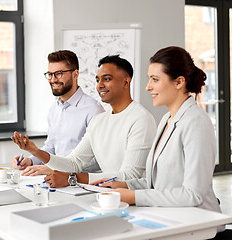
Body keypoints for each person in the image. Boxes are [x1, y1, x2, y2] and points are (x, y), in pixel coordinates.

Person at [91, 46, 222, 220]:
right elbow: (158, 184)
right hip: (168, 216)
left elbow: (193, 194)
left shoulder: (197, 122)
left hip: (198, 222)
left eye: (155, 80)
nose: (148, 87)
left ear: (179, 82)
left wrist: (133, 197)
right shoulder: (167, 119)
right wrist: (123, 185)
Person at [11, 55, 156, 187]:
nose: (99, 85)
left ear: (126, 82)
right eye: (98, 80)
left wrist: (72, 178)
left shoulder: (141, 119)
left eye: (107, 79)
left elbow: (130, 176)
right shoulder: (99, 121)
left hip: (135, 199)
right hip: (107, 194)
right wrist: (34, 151)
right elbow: (74, 163)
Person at [12, 50, 104, 176]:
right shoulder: (54, 109)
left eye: (59, 74)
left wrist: (58, 169)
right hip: (57, 179)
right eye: (50, 74)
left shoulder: (93, 110)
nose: (53, 79)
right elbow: (51, 147)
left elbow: (99, 159)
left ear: (75, 74)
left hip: (82, 183)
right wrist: (31, 161)